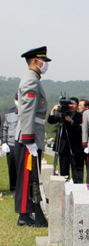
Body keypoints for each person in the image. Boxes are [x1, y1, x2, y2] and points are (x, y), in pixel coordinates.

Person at [14, 46, 52, 227]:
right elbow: (27, 111)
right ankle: (24, 214)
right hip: (29, 137)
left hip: (32, 135)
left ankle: (29, 212)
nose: (45, 64)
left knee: (31, 177)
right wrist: (29, 139)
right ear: (35, 61)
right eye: (43, 61)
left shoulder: (34, 80)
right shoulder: (31, 81)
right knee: (27, 176)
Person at [47, 97, 84, 183]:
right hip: (63, 145)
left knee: (76, 167)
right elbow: (51, 121)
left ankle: (77, 184)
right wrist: (53, 111)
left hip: (75, 146)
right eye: (69, 104)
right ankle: (64, 184)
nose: (70, 106)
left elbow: (80, 129)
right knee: (63, 167)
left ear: (77, 106)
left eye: (73, 104)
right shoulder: (62, 114)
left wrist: (71, 121)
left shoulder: (80, 116)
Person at [1, 93, 19, 196]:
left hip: (22, 143)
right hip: (11, 144)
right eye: (17, 99)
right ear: (14, 100)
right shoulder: (8, 114)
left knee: (22, 167)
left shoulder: (27, 112)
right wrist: (4, 142)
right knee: (12, 167)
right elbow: (3, 129)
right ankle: (14, 189)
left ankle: (22, 188)